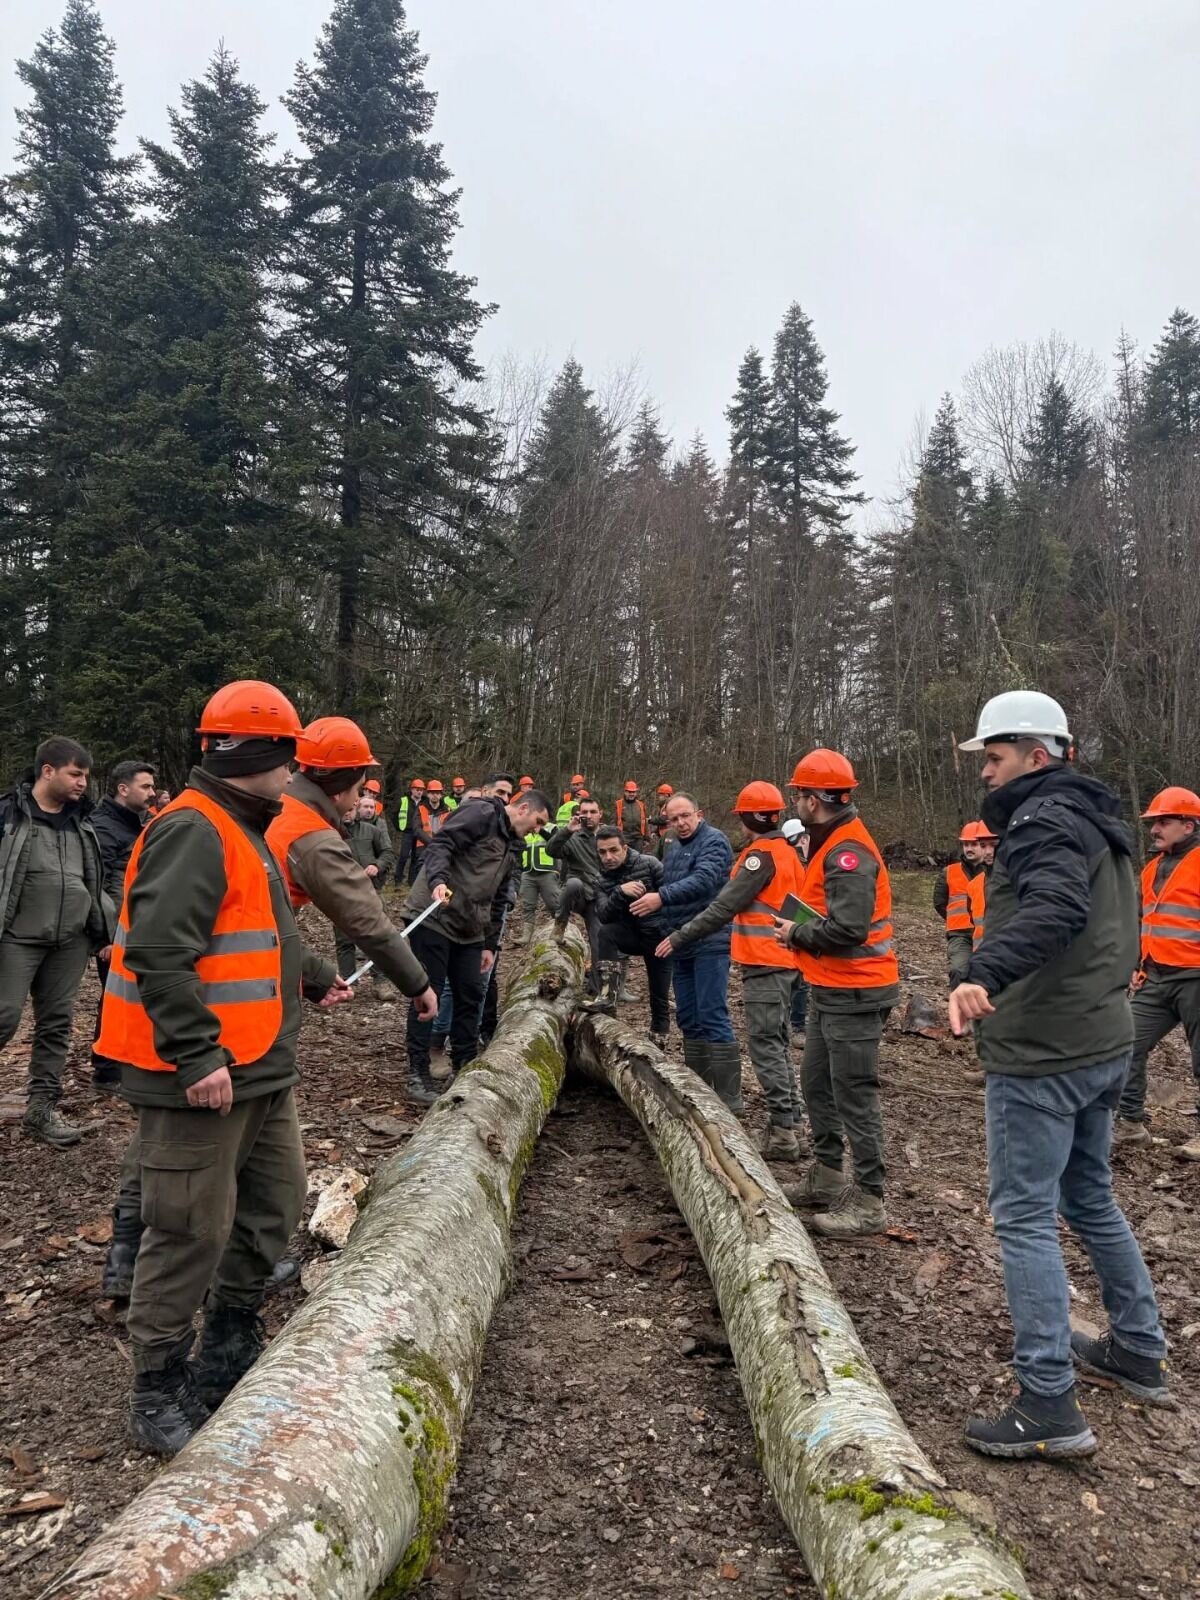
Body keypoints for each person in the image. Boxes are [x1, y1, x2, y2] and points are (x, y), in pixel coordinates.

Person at [94, 681, 355, 1455]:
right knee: (187, 1230)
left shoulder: (245, 827)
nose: (297, 770)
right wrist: (196, 1053)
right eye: (290, 754)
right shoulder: (194, 829)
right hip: (203, 1075)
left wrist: (310, 972)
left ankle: (228, 1341)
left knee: (274, 1204)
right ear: (263, 753)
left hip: (263, 1068)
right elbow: (159, 952)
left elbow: (254, 934)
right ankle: (157, 1388)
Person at [949, 689, 1169, 1458]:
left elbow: (1056, 907)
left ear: (1038, 754)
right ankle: (1139, 1349)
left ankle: (1047, 1401)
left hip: (1045, 1053)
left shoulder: (1042, 822)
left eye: (997, 756)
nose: (988, 771)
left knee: (1024, 1216)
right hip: (1104, 1040)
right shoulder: (1099, 821)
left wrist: (982, 973)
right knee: (1090, 1195)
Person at [774, 750, 899, 1239]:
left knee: (854, 1096)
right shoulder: (830, 842)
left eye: (799, 794)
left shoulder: (849, 852)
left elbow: (848, 928)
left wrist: (796, 934)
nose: (795, 803)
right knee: (817, 1084)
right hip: (831, 987)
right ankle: (827, 1175)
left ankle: (870, 1201)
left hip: (857, 991)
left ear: (813, 798)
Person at [658, 782, 805, 1157]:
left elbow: (723, 905)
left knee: (766, 1046)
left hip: (765, 960)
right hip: (783, 960)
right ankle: (790, 1122)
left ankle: (783, 1132)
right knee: (778, 1043)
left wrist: (678, 937)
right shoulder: (788, 854)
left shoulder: (760, 857)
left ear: (749, 817)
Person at [0, 736, 114, 1147]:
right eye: (76, 774)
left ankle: (41, 1111)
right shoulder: (9, 815)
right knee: (4, 1017)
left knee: (57, 1025)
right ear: (48, 770)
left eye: (86, 775)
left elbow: (92, 878)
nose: (83, 783)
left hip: (69, 941)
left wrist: (101, 926)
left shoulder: (82, 821)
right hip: (16, 939)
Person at [403, 785, 550, 1103]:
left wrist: (488, 944)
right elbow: (442, 844)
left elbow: (498, 897)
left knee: (471, 994)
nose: (537, 830)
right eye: (537, 822)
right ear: (523, 809)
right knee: (427, 993)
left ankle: (464, 1067)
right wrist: (438, 881)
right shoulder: (482, 813)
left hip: (471, 928)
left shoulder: (515, 845)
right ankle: (418, 1072)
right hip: (435, 916)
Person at [630, 793, 739, 1107]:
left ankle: (729, 1099)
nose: (680, 823)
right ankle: (700, 1091)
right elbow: (673, 885)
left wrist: (660, 897)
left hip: (710, 939)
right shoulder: (673, 846)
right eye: (673, 819)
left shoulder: (714, 842)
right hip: (679, 941)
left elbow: (703, 881)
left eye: (685, 816)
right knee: (689, 1017)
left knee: (712, 1014)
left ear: (699, 814)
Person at [1112, 785, 1200, 1145]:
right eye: (1152, 822)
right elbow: (1142, 921)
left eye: (1163, 821)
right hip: (1158, 976)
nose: (1154, 829)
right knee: (1125, 1043)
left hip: (1195, 975)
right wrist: (1136, 963)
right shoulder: (1150, 869)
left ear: (1189, 826)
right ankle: (1131, 1123)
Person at [89, 759, 157, 1089]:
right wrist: (105, 935)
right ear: (123, 789)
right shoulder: (103, 828)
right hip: (114, 931)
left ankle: (125, 1060)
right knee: (115, 995)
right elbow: (96, 884)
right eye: (145, 787)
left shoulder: (138, 823)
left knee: (133, 993)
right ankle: (106, 1069)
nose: (152, 793)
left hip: (136, 924)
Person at [592, 825, 673, 1044]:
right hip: (630, 936)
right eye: (602, 852)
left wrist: (657, 905)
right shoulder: (601, 880)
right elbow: (604, 915)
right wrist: (620, 892)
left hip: (659, 938)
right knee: (606, 932)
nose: (608, 857)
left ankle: (659, 1043)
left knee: (659, 998)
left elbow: (674, 894)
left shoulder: (649, 864)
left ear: (625, 848)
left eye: (613, 850)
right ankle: (608, 995)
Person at [549, 797, 605, 990]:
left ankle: (595, 988)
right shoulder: (572, 837)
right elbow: (551, 850)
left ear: (600, 814)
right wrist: (566, 830)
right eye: (584, 812)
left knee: (599, 940)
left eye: (592, 812)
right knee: (573, 883)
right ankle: (560, 924)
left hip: (599, 897)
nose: (588, 816)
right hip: (577, 894)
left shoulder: (608, 836)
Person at [935, 822, 991, 982]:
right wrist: (956, 920)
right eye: (966, 844)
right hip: (960, 934)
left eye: (973, 844)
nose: (969, 848)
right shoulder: (948, 872)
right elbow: (939, 903)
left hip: (989, 933)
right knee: (959, 971)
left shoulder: (995, 872)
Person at [782, 816, 809, 1036]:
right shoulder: (788, 860)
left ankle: (797, 1022)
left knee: (802, 979)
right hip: (792, 917)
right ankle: (792, 1021)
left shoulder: (817, 858)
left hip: (808, 920)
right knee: (793, 977)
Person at [518, 815, 560, 946]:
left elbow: (557, 843)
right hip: (528, 872)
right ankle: (526, 936)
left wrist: (541, 830)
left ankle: (560, 930)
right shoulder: (525, 829)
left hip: (547, 871)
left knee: (554, 903)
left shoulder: (552, 828)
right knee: (527, 905)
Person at [395, 777, 429, 884]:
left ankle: (411, 881)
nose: (419, 791)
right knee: (403, 856)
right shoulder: (403, 800)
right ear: (412, 789)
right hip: (408, 832)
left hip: (420, 833)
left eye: (421, 789)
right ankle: (398, 880)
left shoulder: (425, 802)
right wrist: (399, 827)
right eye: (417, 789)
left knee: (416, 857)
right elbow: (393, 814)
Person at [616, 781, 650, 851]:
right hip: (624, 837)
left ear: (636, 793)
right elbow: (614, 821)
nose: (631, 794)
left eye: (633, 792)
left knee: (637, 859)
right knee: (624, 859)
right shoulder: (618, 804)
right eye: (629, 792)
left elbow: (644, 822)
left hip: (638, 838)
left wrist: (647, 838)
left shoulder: (641, 804)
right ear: (625, 792)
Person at [652, 784, 676, 859]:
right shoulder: (664, 805)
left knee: (666, 856)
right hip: (664, 835)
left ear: (666, 795)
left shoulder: (669, 805)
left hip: (669, 835)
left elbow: (663, 819)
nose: (659, 797)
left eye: (660, 795)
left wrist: (650, 820)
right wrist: (655, 832)